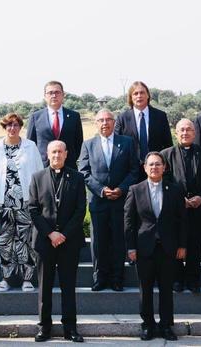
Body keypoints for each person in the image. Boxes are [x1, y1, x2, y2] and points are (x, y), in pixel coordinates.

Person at [27, 140, 87, 343]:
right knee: (44, 287)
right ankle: (44, 328)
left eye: (60, 151)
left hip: (69, 242)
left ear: (66, 153)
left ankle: (70, 328)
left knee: (68, 287)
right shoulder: (37, 177)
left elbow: (80, 211)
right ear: (47, 153)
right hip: (45, 242)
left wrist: (63, 235)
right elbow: (33, 210)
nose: (56, 155)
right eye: (53, 152)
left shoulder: (77, 178)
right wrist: (51, 234)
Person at [124, 152, 186, 342]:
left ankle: (167, 326)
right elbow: (129, 221)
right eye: (151, 165)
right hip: (144, 248)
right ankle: (147, 326)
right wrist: (131, 248)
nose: (154, 168)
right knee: (146, 289)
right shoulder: (135, 189)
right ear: (145, 168)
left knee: (167, 289)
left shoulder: (175, 190)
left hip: (168, 248)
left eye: (158, 164)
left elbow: (182, 220)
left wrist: (182, 245)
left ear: (164, 167)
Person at [78, 108, 136, 291]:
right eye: (101, 120)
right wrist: (102, 190)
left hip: (121, 200)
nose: (105, 123)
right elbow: (84, 172)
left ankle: (118, 278)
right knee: (98, 242)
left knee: (119, 240)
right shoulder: (88, 144)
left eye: (108, 119)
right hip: (98, 201)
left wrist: (121, 189)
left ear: (114, 122)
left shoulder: (127, 143)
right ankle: (100, 278)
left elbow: (134, 170)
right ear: (96, 124)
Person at [160, 118, 201, 293]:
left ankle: (193, 279)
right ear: (176, 133)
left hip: (198, 206)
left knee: (194, 243)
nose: (185, 133)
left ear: (195, 133)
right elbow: (163, 181)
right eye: (181, 130)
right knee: (175, 242)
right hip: (175, 208)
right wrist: (179, 199)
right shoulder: (165, 155)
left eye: (189, 130)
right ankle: (177, 279)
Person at [0, 112, 43, 292]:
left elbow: (39, 174)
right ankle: (6, 278)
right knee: (4, 242)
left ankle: (27, 279)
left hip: (25, 203)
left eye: (16, 125)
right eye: (9, 125)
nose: (12, 128)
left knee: (25, 242)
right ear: (4, 128)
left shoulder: (31, 146)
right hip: (2, 204)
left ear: (21, 127)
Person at [27, 81, 83, 169]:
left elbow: (79, 143)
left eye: (57, 92)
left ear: (63, 95)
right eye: (50, 93)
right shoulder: (35, 117)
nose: (54, 95)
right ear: (45, 96)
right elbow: (30, 144)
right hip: (43, 168)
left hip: (69, 167)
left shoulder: (74, 116)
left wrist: (68, 158)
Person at [114, 81, 172, 164]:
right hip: (130, 168)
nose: (139, 96)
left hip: (155, 167)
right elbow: (117, 146)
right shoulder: (122, 118)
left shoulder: (160, 116)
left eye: (142, 93)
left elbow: (168, 144)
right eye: (135, 93)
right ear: (131, 97)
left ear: (148, 95)